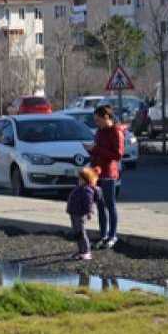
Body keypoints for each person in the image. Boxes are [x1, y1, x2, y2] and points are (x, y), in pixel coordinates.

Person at [88, 104, 124, 249]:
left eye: (98, 120)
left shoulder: (116, 131)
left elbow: (118, 155)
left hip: (109, 173)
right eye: (95, 120)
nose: (96, 123)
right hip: (97, 172)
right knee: (100, 205)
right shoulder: (99, 132)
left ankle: (112, 235)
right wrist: (91, 150)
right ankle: (103, 235)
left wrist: (97, 149)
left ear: (107, 117)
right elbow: (97, 149)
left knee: (110, 205)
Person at [66, 166, 102, 260]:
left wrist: (89, 212)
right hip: (75, 212)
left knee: (81, 233)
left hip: (80, 214)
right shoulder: (81, 188)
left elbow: (88, 203)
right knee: (77, 233)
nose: (79, 180)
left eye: (80, 179)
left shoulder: (86, 190)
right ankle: (81, 250)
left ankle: (86, 251)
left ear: (86, 180)